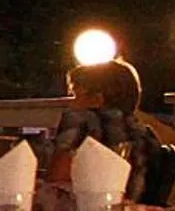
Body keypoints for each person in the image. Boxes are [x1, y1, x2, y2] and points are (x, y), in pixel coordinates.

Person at [46, 58, 158, 197]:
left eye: (76, 95)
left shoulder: (81, 120)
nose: (71, 102)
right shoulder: (146, 134)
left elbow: (57, 177)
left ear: (97, 99)